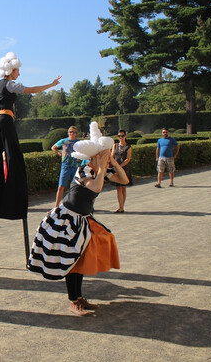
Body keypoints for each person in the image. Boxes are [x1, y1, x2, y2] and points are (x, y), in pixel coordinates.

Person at [28, 122, 128, 316]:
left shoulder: (100, 170)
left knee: (79, 260)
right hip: (65, 220)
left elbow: (124, 180)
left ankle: (78, 297)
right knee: (71, 260)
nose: (105, 159)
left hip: (81, 220)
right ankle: (73, 301)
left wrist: (112, 163)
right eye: (103, 155)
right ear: (94, 156)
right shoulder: (84, 171)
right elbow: (96, 187)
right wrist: (101, 167)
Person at [0, 52, 61, 220]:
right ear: (12, 70)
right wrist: (51, 85)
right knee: (13, 156)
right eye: (17, 71)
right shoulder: (10, 85)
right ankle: (12, 204)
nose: (19, 73)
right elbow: (31, 90)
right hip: (4, 119)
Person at [51, 126, 80, 207]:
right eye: (70, 132)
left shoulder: (78, 142)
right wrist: (59, 152)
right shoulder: (64, 141)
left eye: (73, 132)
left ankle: (75, 204)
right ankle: (56, 206)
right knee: (61, 186)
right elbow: (53, 147)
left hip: (75, 166)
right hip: (66, 166)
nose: (71, 133)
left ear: (76, 134)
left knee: (75, 187)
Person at [111, 130, 133, 212]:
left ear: (125, 136)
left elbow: (128, 159)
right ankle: (121, 207)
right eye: (119, 136)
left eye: (122, 136)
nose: (120, 137)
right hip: (116, 168)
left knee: (123, 187)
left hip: (124, 168)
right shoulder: (115, 145)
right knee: (118, 188)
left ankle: (122, 206)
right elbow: (112, 155)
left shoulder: (128, 147)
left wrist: (119, 166)